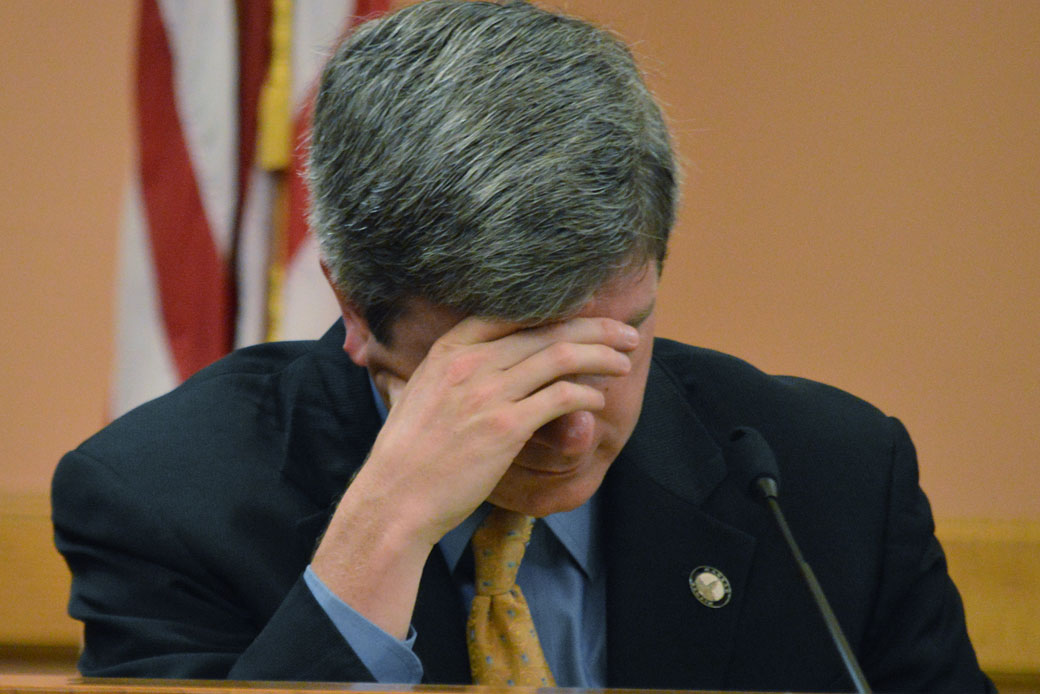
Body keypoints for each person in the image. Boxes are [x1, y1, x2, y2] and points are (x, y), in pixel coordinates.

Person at [53, 1, 993, 691]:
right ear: (355, 307)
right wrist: (384, 534)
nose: (574, 429)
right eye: (505, 366)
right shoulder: (165, 501)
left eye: (616, 340)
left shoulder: (832, 482)